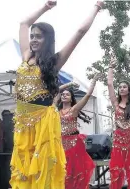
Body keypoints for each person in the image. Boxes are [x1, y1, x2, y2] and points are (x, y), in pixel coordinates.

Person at [9, 0, 103, 188]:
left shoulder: (54, 62)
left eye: (39, 37)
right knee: (24, 172)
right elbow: (23, 23)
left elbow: (79, 33)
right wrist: (45, 7)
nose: (34, 39)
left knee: (43, 170)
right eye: (32, 36)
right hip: (22, 123)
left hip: (43, 123)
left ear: (48, 40)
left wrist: (96, 7)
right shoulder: (26, 56)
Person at [56, 75, 99, 189]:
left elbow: (88, 95)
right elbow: (56, 91)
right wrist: (69, 84)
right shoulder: (56, 111)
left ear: (71, 98)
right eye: (63, 94)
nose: (64, 95)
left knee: (74, 173)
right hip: (60, 144)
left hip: (74, 144)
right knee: (63, 172)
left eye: (67, 94)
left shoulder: (74, 109)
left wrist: (93, 81)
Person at [107, 55, 130, 189]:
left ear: (128, 90)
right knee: (116, 171)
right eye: (120, 87)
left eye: (124, 87)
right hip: (118, 141)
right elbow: (109, 84)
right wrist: (111, 67)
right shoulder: (115, 103)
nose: (122, 88)